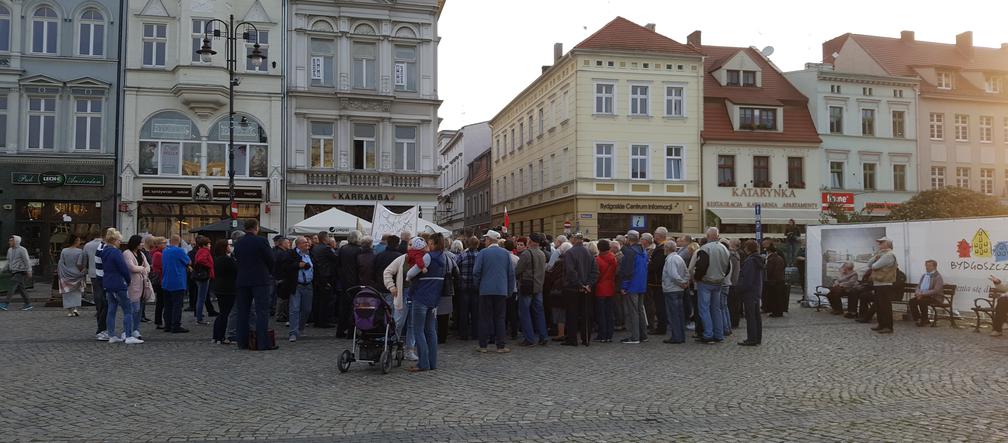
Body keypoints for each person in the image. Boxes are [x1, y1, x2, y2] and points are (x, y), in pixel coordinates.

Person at [403, 232, 449, 371]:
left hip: (421, 297)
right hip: (434, 298)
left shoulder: (428, 257)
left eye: (429, 243)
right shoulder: (445, 257)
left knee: (418, 330)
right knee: (431, 331)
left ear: (433, 244)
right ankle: (432, 363)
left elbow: (411, 273)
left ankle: (423, 363)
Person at [234, 219, 277, 350]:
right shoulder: (261, 241)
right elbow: (271, 259)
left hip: (242, 280)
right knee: (262, 311)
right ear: (256, 228)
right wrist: (268, 272)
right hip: (260, 280)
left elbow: (237, 259)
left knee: (242, 312)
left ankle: (242, 342)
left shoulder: (238, 242)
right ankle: (262, 343)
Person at [473, 230, 515, 353]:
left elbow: (476, 272)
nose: (484, 241)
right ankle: (501, 346)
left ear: (489, 240)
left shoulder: (483, 253)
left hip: (485, 290)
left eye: (486, 239)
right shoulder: (506, 254)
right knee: (500, 318)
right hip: (501, 290)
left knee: (484, 318)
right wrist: (509, 290)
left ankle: (483, 346)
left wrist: (478, 286)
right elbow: (511, 274)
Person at [99, 230, 143, 344]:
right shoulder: (116, 252)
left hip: (108, 283)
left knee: (111, 310)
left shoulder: (104, 251)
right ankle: (128, 336)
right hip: (119, 284)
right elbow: (123, 269)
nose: (120, 242)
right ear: (114, 240)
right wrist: (128, 280)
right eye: (119, 240)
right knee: (128, 310)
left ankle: (111, 335)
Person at [692, 227, 729, 344]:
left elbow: (701, 267)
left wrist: (697, 278)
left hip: (706, 282)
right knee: (716, 309)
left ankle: (708, 334)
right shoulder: (724, 248)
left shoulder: (705, 248)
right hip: (719, 282)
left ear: (708, 236)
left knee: (704, 309)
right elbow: (728, 267)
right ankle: (719, 334)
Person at [382, 241, 418, 361]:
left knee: (413, 323)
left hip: (416, 295)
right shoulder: (401, 259)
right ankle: (392, 347)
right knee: (398, 322)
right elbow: (387, 272)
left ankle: (409, 349)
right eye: (410, 245)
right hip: (402, 293)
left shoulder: (423, 259)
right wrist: (391, 286)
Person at [562, 233, 598, 346]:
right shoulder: (589, 253)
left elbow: (571, 272)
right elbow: (595, 272)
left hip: (573, 288)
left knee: (572, 314)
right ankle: (585, 338)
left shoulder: (569, 253)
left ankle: (572, 339)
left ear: (574, 240)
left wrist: (580, 284)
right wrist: (588, 285)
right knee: (586, 314)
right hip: (586, 288)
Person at [516, 233, 547, 346]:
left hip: (527, 286)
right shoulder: (542, 254)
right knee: (539, 312)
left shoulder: (526, 254)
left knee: (525, 312)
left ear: (532, 241)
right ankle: (543, 336)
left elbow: (518, 270)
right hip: (539, 286)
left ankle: (529, 338)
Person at [618, 230, 649, 344]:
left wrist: (624, 286)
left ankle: (635, 336)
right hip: (641, 284)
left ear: (628, 239)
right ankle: (643, 335)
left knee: (633, 312)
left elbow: (627, 271)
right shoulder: (643, 251)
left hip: (632, 284)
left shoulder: (630, 252)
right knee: (640, 310)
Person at [79, 231, 108, 338]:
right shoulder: (105, 245)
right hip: (104, 273)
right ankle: (102, 310)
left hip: (93, 272)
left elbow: (84, 260)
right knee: (104, 294)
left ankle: (98, 308)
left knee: (96, 292)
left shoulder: (87, 245)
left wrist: (84, 268)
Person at [867, 237, 899, 334]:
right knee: (879, 306)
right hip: (878, 283)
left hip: (885, 283)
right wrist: (877, 255)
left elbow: (874, 266)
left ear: (887, 244)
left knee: (885, 306)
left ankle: (888, 326)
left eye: (881, 242)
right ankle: (881, 324)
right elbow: (869, 263)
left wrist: (877, 257)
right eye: (879, 242)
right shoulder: (882, 254)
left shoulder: (889, 255)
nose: (879, 244)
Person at [737, 240, 765, 346]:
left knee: (750, 316)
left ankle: (752, 338)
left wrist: (740, 288)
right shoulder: (758, 259)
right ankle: (757, 337)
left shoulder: (750, 261)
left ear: (748, 248)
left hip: (749, 292)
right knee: (756, 315)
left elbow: (747, 279)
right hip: (756, 290)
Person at [122, 235, 150, 341]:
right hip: (132, 284)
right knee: (134, 308)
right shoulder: (127, 253)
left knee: (139, 309)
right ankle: (127, 331)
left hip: (142, 284)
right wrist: (143, 268)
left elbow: (148, 267)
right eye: (140, 243)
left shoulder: (141, 254)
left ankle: (136, 329)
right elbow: (131, 267)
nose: (142, 245)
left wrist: (143, 269)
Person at [161, 235, 191, 334]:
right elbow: (188, 261)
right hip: (177, 281)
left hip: (166, 281)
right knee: (177, 305)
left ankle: (167, 325)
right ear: (179, 241)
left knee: (168, 305)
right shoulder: (179, 251)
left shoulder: (165, 251)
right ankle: (175, 325)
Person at [336, 230, 363, 337]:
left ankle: (340, 331)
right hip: (355, 282)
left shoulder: (342, 249)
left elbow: (338, 265)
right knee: (354, 307)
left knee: (344, 307)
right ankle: (351, 332)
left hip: (344, 282)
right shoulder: (359, 250)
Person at [661, 240, 689, 344]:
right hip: (678, 289)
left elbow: (673, 275)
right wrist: (685, 282)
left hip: (672, 289)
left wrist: (681, 282)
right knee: (679, 314)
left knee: (673, 314)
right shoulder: (679, 257)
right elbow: (686, 272)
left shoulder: (671, 259)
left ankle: (676, 336)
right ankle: (680, 336)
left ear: (667, 249)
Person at [212, 239, 237, 344]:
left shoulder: (217, 259)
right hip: (228, 289)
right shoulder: (228, 260)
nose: (229, 247)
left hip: (219, 287)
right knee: (225, 314)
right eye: (228, 246)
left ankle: (216, 336)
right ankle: (220, 336)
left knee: (222, 313)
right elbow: (236, 270)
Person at [289, 237, 314, 342]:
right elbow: (286, 266)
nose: (308, 245)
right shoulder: (292, 254)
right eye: (305, 243)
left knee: (307, 309)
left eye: (308, 243)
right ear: (299, 244)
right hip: (297, 285)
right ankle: (293, 332)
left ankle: (300, 328)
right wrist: (298, 265)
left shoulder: (310, 255)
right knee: (294, 309)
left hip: (308, 285)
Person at [310, 232, 338, 329]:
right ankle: (324, 321)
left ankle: (317, 320)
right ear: (325, 238)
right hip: (326, 276)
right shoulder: (326, 248)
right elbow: (336, 258)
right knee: (326, 301)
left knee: (318, 300)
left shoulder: (315, 248)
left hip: (317, 276)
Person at [454, 237, 479, 341]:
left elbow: (454, 266)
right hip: (476, 286)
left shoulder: (462, 255)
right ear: (477, 245)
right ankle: (475, 333)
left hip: (463, 286)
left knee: (463, 312)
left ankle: (463, 334)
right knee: (475, 312)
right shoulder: (479, 255)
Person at [593, 239, 617, 343]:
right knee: (609, 313)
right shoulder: (613, 258)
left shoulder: (597, 259)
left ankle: (602, 335)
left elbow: (596, 275)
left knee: (601, 313)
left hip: (600, 288)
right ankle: (609, 335)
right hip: (611, 287)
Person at [1, 235, 33, 311]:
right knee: (21, 288)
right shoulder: (9, 250)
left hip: (21, 271)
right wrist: (2, 269)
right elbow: (9, 262)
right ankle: (28, 304)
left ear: (16, 241)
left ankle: (5, 304)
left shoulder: (22, 250)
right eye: (9, 240)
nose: (9, 242)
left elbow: (27, 260)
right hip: (13, 271)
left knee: (12, 285)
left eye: (11, 240)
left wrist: (29, 270)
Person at [908, 260, 945, 327]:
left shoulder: (938, 277)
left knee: (922, 301)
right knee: (912, 301)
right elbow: (918, 286)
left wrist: (922, 294)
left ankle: (924, 319)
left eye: (929, 266)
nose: (927, 267)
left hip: (935, 297)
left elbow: (936, 290)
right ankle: (918, 318)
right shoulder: (924, 275)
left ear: (935, 267)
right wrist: (918, 293)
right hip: (923, 296)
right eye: (926, 265)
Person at [646, 228, 669, 335]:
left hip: (658, 281)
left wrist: (648, 264)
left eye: (655, 234)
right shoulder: (661, 247)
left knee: (660, 305)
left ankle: (661, 327)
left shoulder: (661, 248)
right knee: (660, 305)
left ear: (659, 236)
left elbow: (656, 265)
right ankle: (661, 326)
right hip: (658, 280)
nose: (654, 236)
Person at [57, 235, 86, 317]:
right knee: (77, 292)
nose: (80, 242)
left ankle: (69, 311)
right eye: (79, 240)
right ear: (76, 241)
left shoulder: (64, 251)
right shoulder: (80, 251)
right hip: (77, 273)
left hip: (66, 273)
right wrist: (83, 271)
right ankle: (76, 308)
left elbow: (61, 262)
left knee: (67, 292)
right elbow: (80, 264)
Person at [192, 236, 215, 325]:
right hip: (204, 276)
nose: (210, 246)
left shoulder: (200, 251)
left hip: (200, 276)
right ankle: (199, 318)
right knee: (202, 297)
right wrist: (209, 265)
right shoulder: (205, 251)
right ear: (205, 245)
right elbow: (201, 260)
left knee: (200, 297)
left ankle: (199, 315)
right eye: (209, 244)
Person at [272, 236, 293, 324]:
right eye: (288, 243)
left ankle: (280, 314)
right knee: (282, 298)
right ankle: (280, 315)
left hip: (278, 277)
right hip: (282, 278)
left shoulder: (278, 252)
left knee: (281, 297)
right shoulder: (282, 253)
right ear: (283, 244)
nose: (289, 244)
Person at [764, 240, 786, 317]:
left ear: (769, 251)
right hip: (780, 280)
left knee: (774, 298)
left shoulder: (771, 259)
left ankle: (775, 312)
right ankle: (779, 312)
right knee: (779, 298)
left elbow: (769, 270)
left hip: (773, 281)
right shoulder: (779, 258)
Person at [150, 237, 167, 329]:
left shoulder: (159, 253)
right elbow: (161, 267)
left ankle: (159, 321)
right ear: (158, 244)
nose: (165, 245)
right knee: (161, 302)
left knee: (161, 302)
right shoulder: (158, 254)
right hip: (160, 280)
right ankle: (159, 321)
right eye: (163, 243)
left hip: (161, 279)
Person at [726, 239, 742, 328]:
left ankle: (732, 322)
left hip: (732, 283)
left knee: (731, 305)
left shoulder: (732, 255)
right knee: (735, 305)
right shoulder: (736, 254)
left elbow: (729, 270)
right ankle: (735, 321)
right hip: (735, 282)